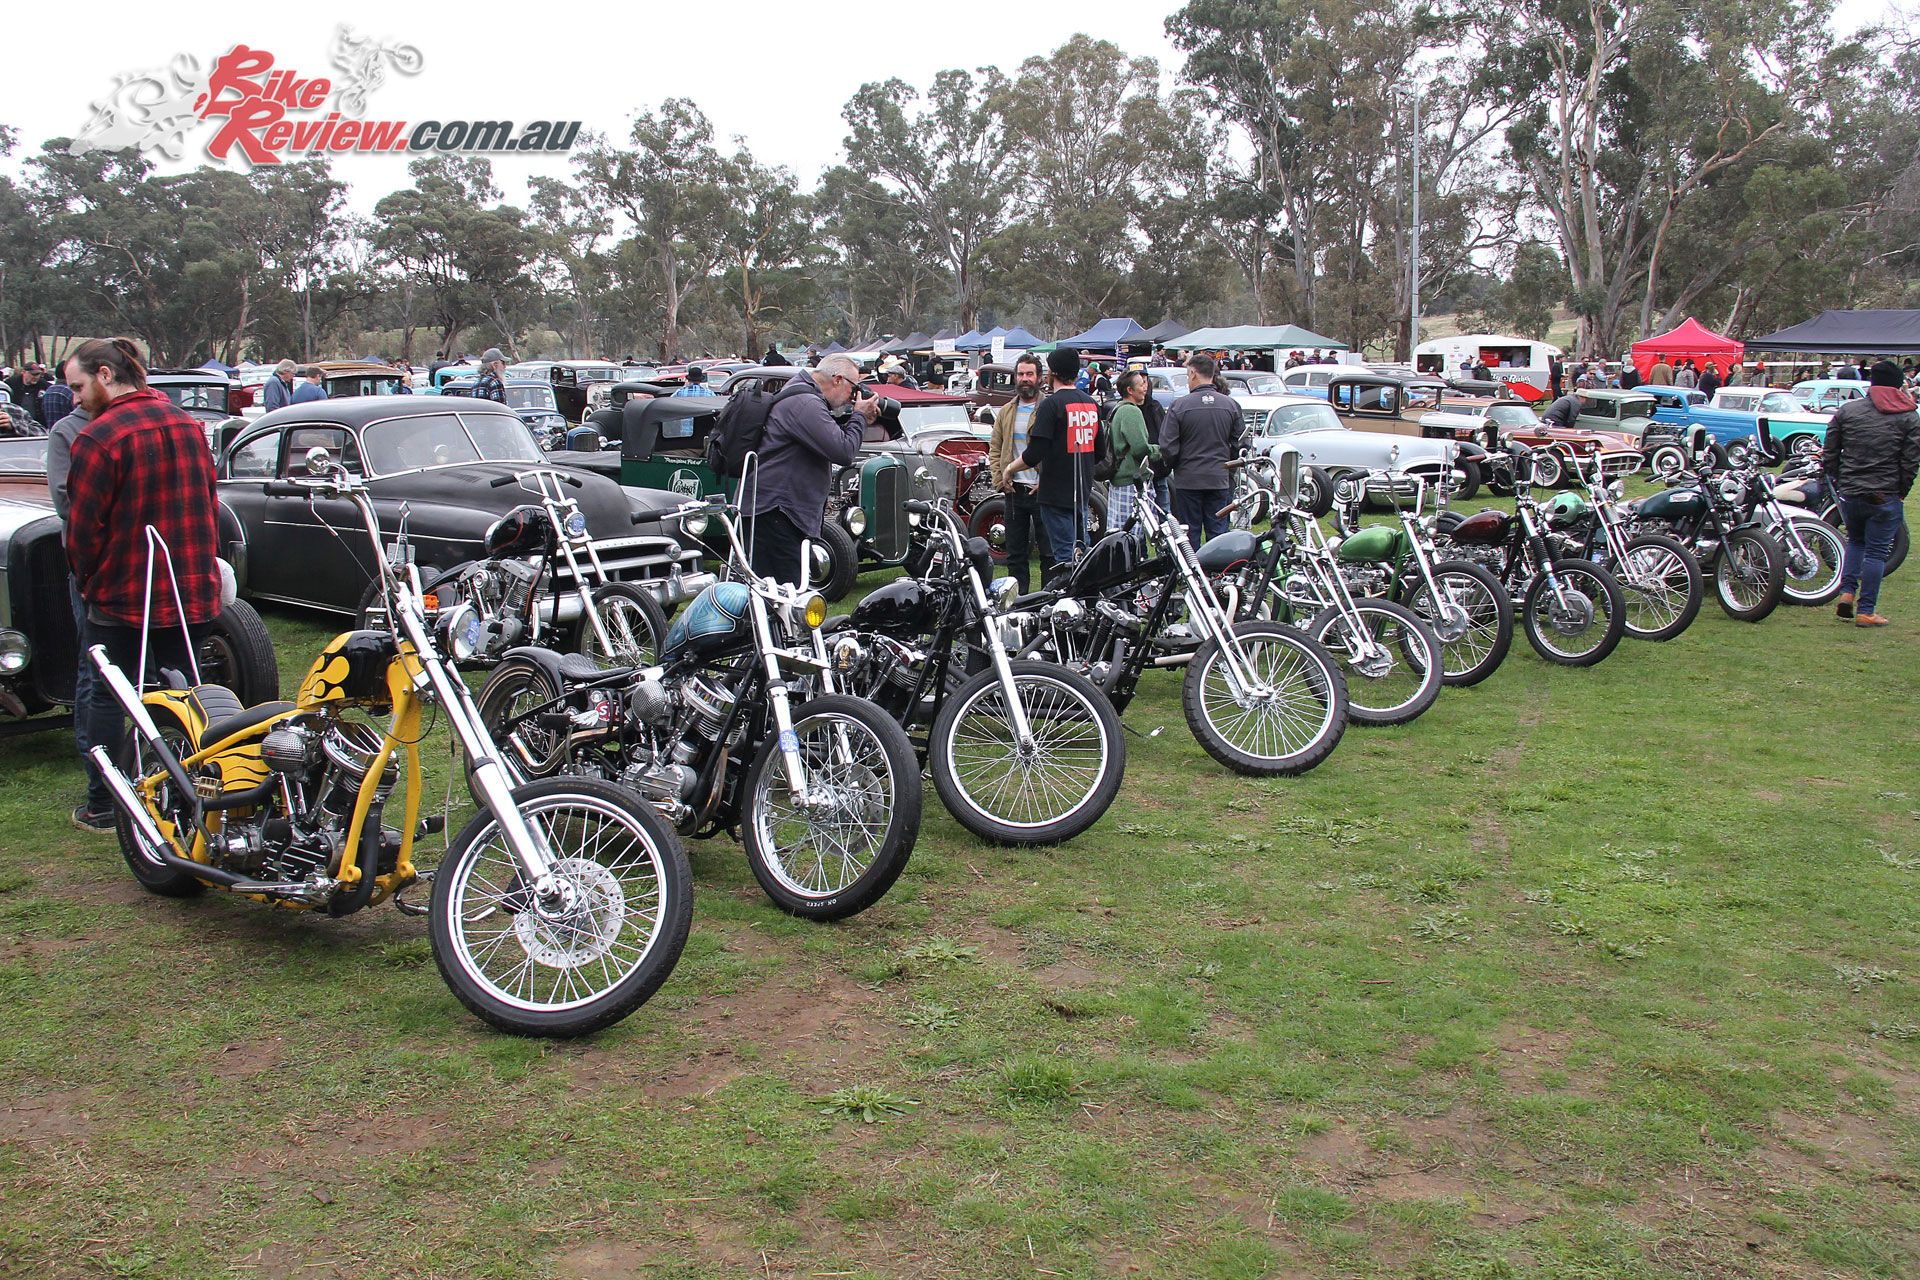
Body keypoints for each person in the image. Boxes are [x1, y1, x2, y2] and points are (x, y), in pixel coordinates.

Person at [62, 338, 224, 832]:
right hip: (187, 586)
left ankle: (104, 805)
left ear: (105, 374)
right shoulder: (188, 424)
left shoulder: (99, 437)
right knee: (186, 694)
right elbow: (210, 503)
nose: (75, 399)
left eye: (78, 387)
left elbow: (82, 530)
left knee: (110, 695)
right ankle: (194, 796)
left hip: (124, 593)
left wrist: (87, 582)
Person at [745, 355, 873, 584]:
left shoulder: (803, 396)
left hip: (775, 512)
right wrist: (860, 416)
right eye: (853, 388)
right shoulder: (805, 403)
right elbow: (844, 451)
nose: (853, 397)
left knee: (778, 592)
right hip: (776, 513)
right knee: (784, 594)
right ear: (838, 380)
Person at [1825, 361, 1919, 627]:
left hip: (1852, 491)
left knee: (1856, 542)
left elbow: (1830, 450)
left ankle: (1846, 593)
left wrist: (1839, 480)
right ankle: (1866, 610)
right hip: (1885, 493)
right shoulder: (1908, 416)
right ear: (1898, 385)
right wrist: (1902, 491)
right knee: (1877, 553)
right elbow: (1911, 460)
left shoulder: (1848, 410)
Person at [1016, 348, 1102, 571]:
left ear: (1053, 373)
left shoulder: (1051, 404)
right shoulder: (1091, 404)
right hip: (1081, 492)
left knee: (1065, 558)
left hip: (1055, 495)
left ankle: (1071, 592)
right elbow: (1099, 452)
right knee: (1082, 552)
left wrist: (1009, 469)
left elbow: (1034, 454)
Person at [1160, 353, 1241, 551]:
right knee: (1218, 534)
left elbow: (1168, 445)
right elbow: (1239, 444)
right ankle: (1218, 569)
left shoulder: (1180, 406)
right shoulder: (1230, 405)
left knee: (1189, 535)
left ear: (1193, 373)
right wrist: (1228, 469)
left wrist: (1175, 466)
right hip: (1219, 478)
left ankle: (1193, 569)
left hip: (1189, 479)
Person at [990, 353, 1055, 593]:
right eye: (1020, 374)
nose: (1024, 379)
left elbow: (1057, 450)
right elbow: (995, 448)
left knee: (1049, 554)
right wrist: (1000, 481)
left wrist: (1047, 480)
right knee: (1015, 554)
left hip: (1042, 492)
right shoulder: (1006, 411)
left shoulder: (1049, 408)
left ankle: (1049, 601)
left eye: (1029, 374)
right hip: (1014, 491)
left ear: (1040, 378)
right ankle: (1017, 604)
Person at [1105, 371, 1160, 530]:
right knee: (1132, 535)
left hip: (1120, 480)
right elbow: (1139, 449)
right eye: (1141, 385)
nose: (1145, 388)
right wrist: (1159, 451)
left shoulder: (1118, 408)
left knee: (1120, 532)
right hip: (1131, 482)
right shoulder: (1131, 411)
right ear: (1130, 390)